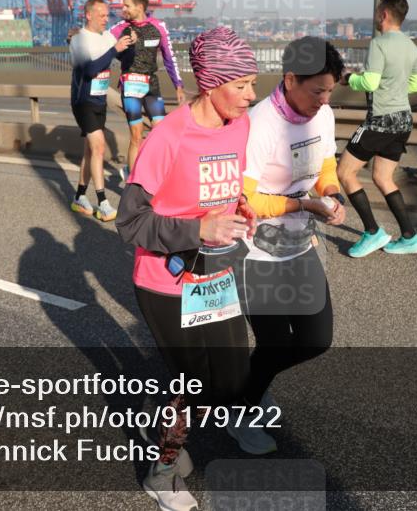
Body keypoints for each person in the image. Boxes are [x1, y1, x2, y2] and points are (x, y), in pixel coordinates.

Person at [116, 26, 258, 511]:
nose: (250, 95)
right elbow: (130, 222)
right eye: (240, 85)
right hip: (166, 283)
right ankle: (162, 471)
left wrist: (241, 206)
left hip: (216, 277)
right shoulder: (167, 137)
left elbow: (228, 183)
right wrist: (199, 230)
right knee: (190, 384)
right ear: (210, 81)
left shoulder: (240, 125)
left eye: (252, 83)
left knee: (235, 374)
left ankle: (160, 414)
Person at [238, 36, 346, 454]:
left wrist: (331, 194)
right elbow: (246, 202)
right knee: (274, 344)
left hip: (299, 243)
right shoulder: (261, 124)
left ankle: (246, 383)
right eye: (316, 89)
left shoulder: (324, 115)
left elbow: (326, 164)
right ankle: (239, 410)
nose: (323, 99)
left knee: (316, 339)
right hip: (255, 253)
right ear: (289, 79)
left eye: (330, 91)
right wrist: (305, 203)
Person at [336, 0, 417, 257]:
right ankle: (409, 236)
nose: (376, 16)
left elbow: (370, 83)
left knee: (345, 172)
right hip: (403, 120)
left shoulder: (379, 44)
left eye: (377, 12)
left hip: (380, 121)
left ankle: (372, 232)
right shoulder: (411, 45)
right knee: (382, 177)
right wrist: (395, 89)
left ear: (383, 14)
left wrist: (350, 79)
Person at [69, 0, 135, 221]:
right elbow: (90, 70)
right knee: (98, 147)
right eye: (102, 15)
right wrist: (114, 49)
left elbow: (122, 57)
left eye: (108, 15)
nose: (107, 19)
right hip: (83, 101)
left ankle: (79, 197)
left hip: (99, 101)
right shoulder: (79, 40)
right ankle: (103, 202)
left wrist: (129, 46)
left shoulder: (107, 37)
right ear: (89, 15)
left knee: (90, 151)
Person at [110, 0, 185, 182]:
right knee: (136, 135)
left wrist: (178, 84)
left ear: (140, 6)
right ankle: (133, 179)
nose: (123, 8)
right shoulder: (120, 28)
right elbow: (105, 49)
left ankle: (152, 171)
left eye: (127, 5)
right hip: (130, 85)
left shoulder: (158, 26)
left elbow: (170, 57)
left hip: (151, 85)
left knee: (160, 131)